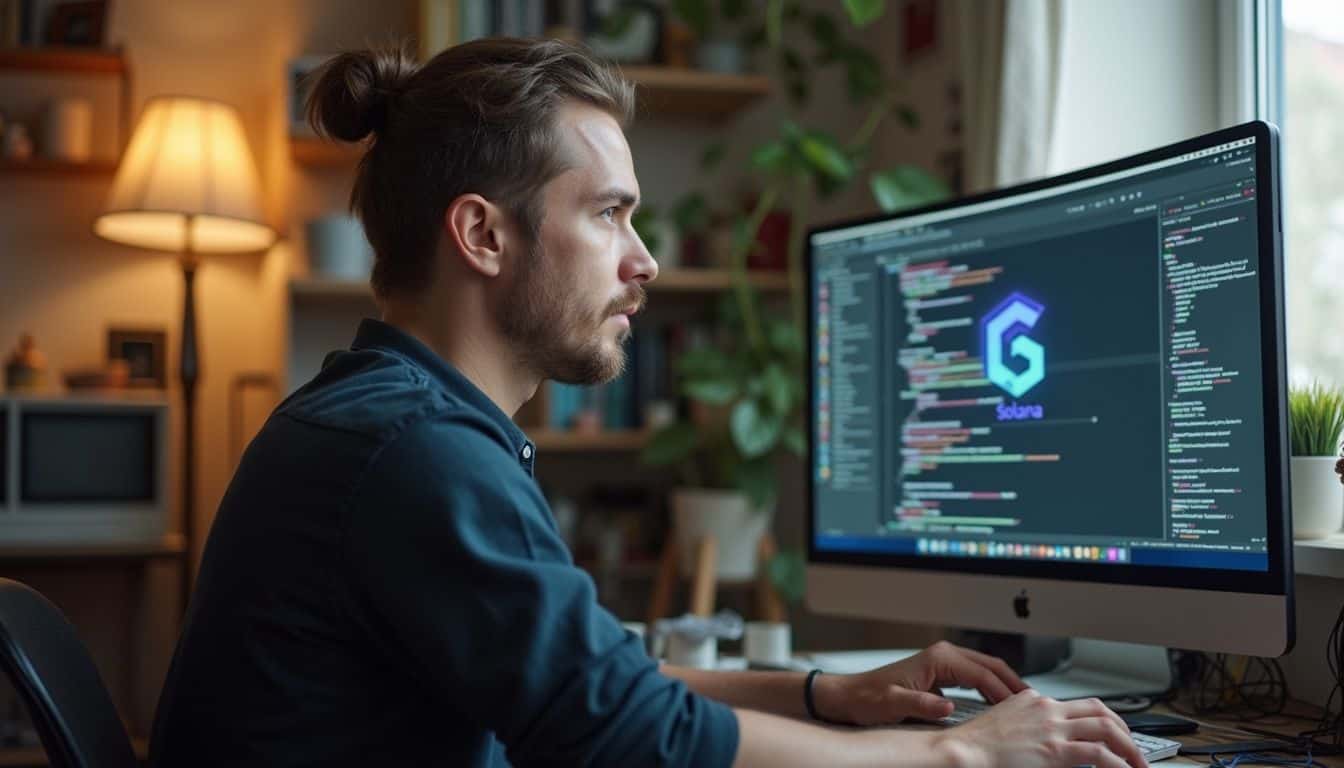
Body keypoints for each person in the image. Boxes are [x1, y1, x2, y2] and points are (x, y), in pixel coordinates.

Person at [148, 38, 1147, 768]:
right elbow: (626, 736)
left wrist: (826, 691)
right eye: (610, 214)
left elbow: (595, 687)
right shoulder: (414, 448)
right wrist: (964, 755)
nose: (646, 260)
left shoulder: (392, 420)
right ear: (482, 236)